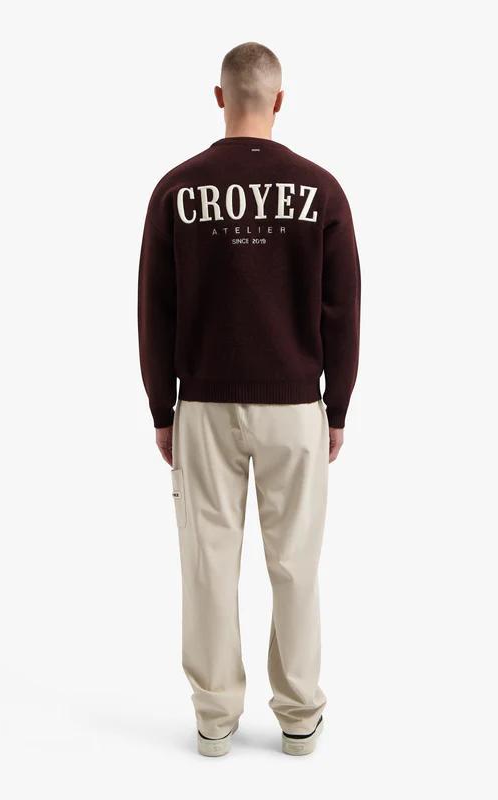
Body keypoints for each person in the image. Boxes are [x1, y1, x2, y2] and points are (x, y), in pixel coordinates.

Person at [138, 42, 361, 757]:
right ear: (280, 100)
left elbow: (155, 310)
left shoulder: (177, 189)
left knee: (207, 561)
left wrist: (163, 409)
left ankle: (213, 720)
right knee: (295, 563)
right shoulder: (320, 190)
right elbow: (342, 309)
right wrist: (336, 407)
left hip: (204, 404)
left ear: (219, 97)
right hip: (295, 406)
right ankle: (298, 717)